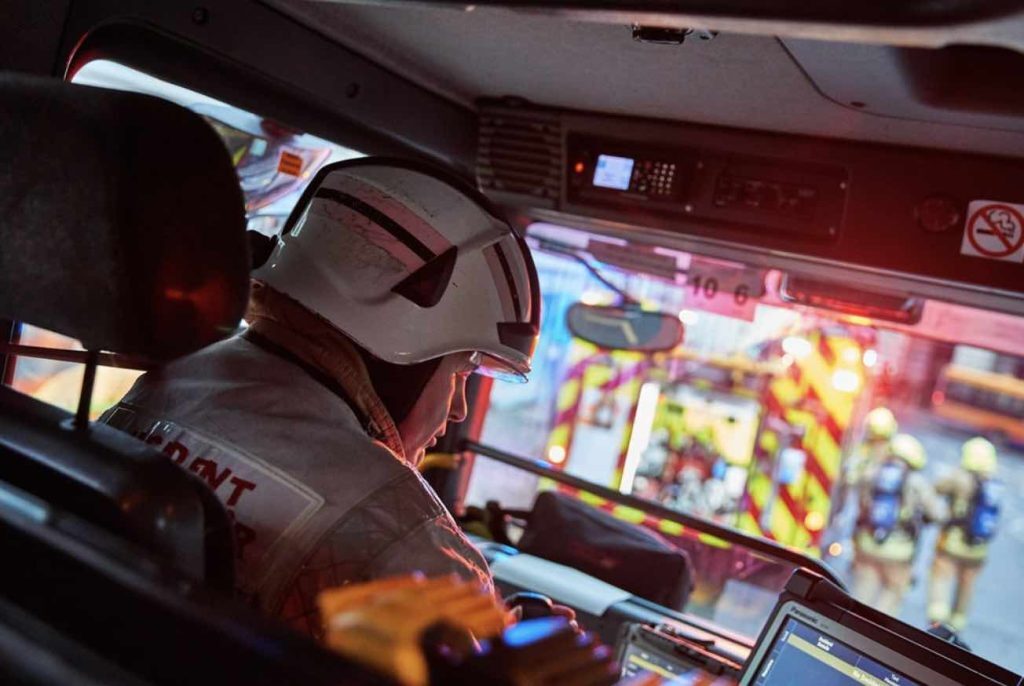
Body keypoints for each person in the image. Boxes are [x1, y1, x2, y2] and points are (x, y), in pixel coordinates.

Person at [101, 158, 540, 635]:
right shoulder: (401, 537)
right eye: (460, 372)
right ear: (407, 353)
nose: (457, 410)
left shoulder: (167, 385)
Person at [849, 433, 946, 616]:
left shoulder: (871, 474)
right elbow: (937, 514)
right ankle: (875, 633)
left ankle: (850, 628)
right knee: (892, 594)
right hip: (899, 554)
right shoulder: (917, 483)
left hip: (867, 545)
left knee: (862, 595)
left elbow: (859, 500)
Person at [927, 437, 1003, 632]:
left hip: (952, 543)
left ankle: (937, 621)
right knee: (967, 585)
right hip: (978, 550)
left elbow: (935, 489)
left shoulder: (958, 477)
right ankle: (956, 624)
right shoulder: (994, 484)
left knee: (942, 576)